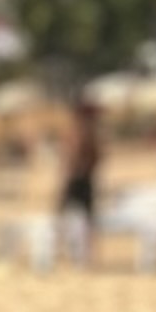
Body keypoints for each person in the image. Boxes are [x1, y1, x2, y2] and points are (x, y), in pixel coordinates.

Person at [57, 89, 103, 264]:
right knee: (77, 218)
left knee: (73, 217)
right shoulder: (82, 131)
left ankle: (78, 253)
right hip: (79, 179)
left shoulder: (80, 131)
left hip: (78, 178)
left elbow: (83, 157)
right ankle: (78, 252)